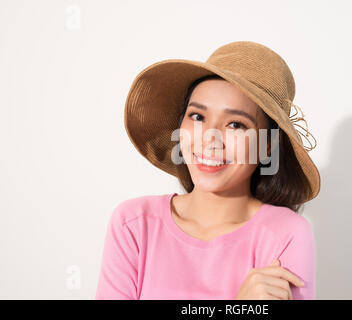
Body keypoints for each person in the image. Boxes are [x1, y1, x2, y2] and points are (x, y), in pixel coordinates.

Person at [95, 41, 321, 300]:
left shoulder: (287, 235)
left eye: (236, 124)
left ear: (267, 145)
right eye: (198, 117)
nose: (210, 139)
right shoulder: (133, 224)